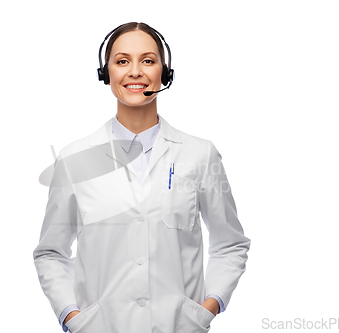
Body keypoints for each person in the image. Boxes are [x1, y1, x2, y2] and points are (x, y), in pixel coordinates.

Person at [33, 22, 251, 333]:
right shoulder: (74, 159)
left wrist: (206, 309)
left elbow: (230, 244)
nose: (135, 72)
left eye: (148, 60)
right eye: (122, 61)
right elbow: (51, 252)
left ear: (166, 72)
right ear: (105, 73)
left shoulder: (199, 154)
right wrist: (73, 316)